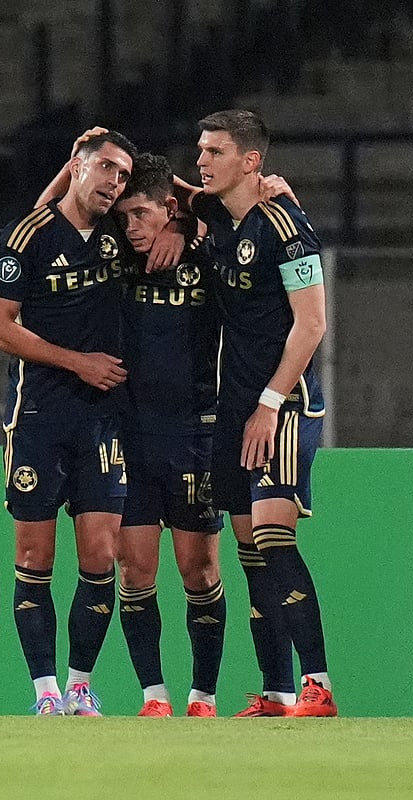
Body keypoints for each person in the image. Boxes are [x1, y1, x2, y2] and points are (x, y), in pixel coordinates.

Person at [181, 109, 337, 717]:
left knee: (274, 534)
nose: (203, 161)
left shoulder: (287, 227)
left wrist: (270, 403)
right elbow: (174, 190)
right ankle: (276, 691)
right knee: (250, 551)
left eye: (215, 151)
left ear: (251, 161)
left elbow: (313, 322)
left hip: (286, 404)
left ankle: (317, 685)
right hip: (233, 408)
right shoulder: (221, 215)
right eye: (200, 150)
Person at [0, 129, 139, 716]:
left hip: (102, 419)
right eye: (105, 169)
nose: (114, 183)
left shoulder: (119, 236)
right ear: (76, 165)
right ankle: (44, 691)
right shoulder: (24, 238)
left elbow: (185, 206)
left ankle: (80, 684)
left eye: (122, 176)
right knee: (35, 556)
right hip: (39, 417)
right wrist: (79, 363)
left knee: (101, 554)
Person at [112, 153, 227, 718]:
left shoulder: (207, 258)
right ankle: (153, 696)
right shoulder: (114, 257)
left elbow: (252, 214)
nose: (132, 227)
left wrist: (187, 221)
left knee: (199, 570)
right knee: (135, 570)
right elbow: (42, 227)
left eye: (142, 215)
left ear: (170, 209)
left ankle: (202, 697)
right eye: (124, 215)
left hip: (195, 432)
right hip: (128, 436)